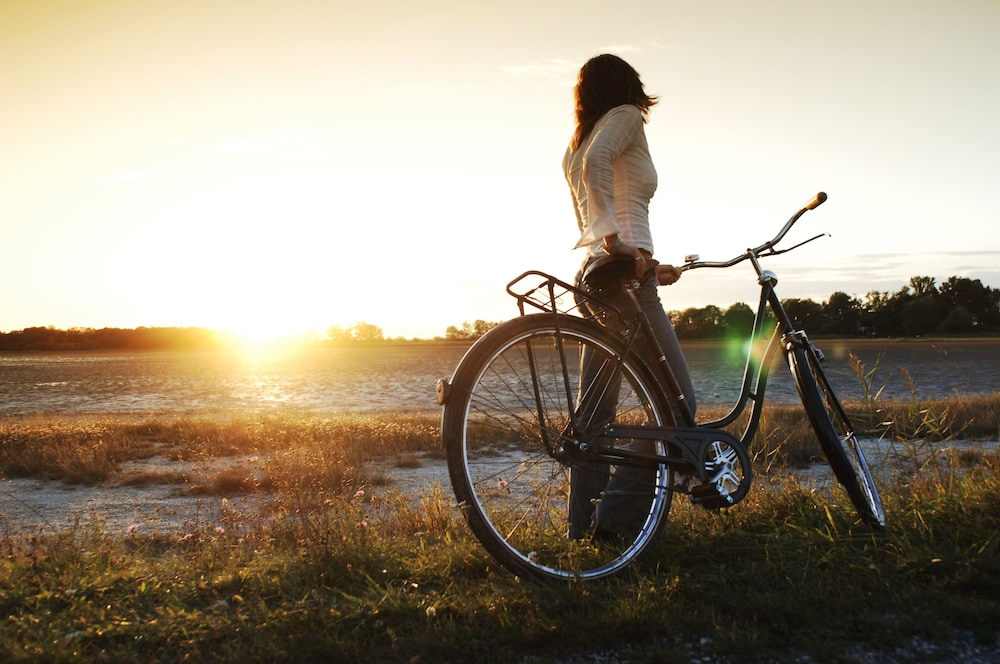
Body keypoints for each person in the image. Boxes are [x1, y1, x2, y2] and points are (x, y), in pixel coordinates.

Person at [562, 53, 697, 539]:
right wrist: (621, 246)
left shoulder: (577, 142)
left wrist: (642, 258)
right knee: (679, 406)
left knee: (594, 415)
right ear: (627, 85)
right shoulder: (624, 118)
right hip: (622, 276)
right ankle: (613, 523)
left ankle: (582, 531)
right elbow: (605, 183)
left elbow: (602, 194)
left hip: (598, 275)